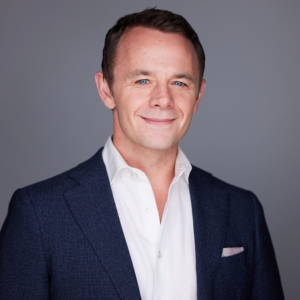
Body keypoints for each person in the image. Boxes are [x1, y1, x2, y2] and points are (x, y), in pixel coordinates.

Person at [0, 8, 284, 300]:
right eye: (143, 80)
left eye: (180, 82)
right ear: (106, 89)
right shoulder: (38, 214)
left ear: (198, 96)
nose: (163, 99)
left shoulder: (242, 210)